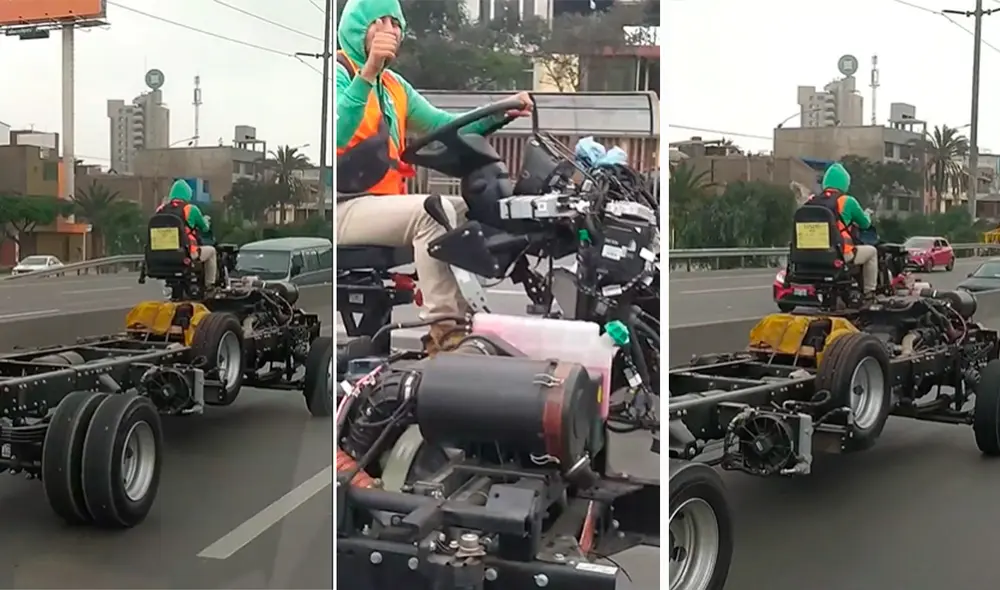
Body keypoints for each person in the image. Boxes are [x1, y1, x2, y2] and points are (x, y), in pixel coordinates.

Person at [335, 0, 533, 354]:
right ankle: (444, 332)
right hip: (340, 206)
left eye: (395, 23)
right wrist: (366, 74)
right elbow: (335, 132)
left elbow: (443, 124)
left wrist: (499, 113)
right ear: (354, 28)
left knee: (466, 207)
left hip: (381, 207)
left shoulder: (395, 87)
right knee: (434, 210)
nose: (389, 30)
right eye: (378, 22)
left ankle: (470, 317)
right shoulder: (336, 75)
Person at [806, 162, 877, 296]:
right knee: (872, 252)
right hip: (839, 254)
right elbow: (865, 224)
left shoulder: (811, 200)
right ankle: (869, 292)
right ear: (845, 183)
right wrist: (867, 214)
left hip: (809, 255)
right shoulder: (847, 201)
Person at [156, 180, 218, 289]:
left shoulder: (160, 209)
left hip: (161, 255)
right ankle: (210, 285)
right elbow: (204, 228)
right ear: (188, 194)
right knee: (212, 251)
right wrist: (206, 221)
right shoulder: (190, 209)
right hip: (186, 253)